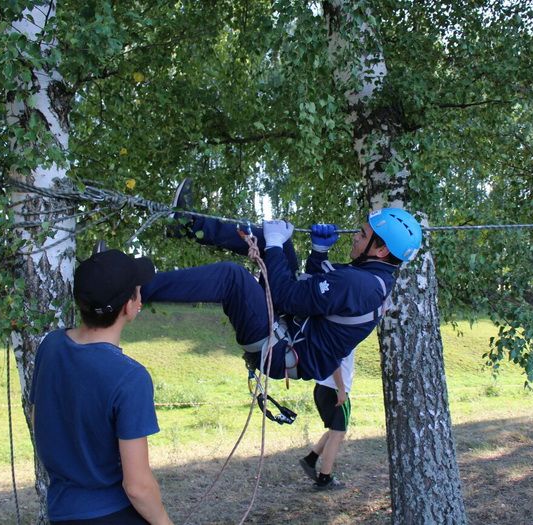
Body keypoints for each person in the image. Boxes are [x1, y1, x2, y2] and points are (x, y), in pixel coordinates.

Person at [142, 179, 423, 382]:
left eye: (363, 235)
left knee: (233, 278)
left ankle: (135, 288)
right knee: (270, 238)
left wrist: (276, 247)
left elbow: (284, 296)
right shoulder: (372, 278)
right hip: (288, 325)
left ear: (381, 249)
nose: (356, 236)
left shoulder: (361, 285)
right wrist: (318, 252)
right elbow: (317, 294)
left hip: (280, 349)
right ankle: (188, 224)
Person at [30, 248, 173, 525]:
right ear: (130, 305)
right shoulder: (130, 378)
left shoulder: (50, 346)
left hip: (62, 511)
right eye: (137, 290)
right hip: (113, 514)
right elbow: (138, 486)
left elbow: (39, 421)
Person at [299, 348, 355, 490]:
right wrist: (341, 389)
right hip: (333, 389)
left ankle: (310, 460)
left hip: (324, 387)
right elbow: (334, 362)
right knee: (338, 434)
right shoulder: (342, 337)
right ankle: (324, 478)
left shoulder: (331, 334)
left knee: (334, 431)